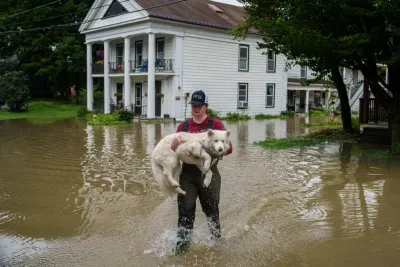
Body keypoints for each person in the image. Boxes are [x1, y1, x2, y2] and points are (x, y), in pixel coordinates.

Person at [170, 90, 233, 255]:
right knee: (185, 213)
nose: (196, 108)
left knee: (211, 212)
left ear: (206, 106)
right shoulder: (182, 127)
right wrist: (173, 145)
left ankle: (217, 248)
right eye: (193, 105)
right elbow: (172, 150)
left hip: (209, 174)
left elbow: (229, 147)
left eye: (199, 105)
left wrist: (215, 150)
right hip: (187, 176)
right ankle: (181, 252)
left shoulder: (216, 125)